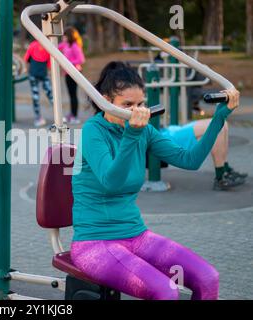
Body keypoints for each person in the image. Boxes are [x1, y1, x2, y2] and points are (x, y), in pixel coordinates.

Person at [71, 61, 240, 300]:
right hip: (95, 243)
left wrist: (219, 118)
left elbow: (189, 160)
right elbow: (111, 182)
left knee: (208, 278)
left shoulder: (144, 131)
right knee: (166, 291)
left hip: (136, 236)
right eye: (127, 105)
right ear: (105, 100)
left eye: (140, 104)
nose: (135, 111)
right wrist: (132, 134)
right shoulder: (94, 131)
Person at [161, 120, 247, 190]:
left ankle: (226, 170)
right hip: (167, 136)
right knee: (217, 127)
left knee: (223, 123)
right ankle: (220, 177)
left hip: (170, 130)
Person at [24, 39, 54, 127]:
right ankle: (57, 115)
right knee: (49, 94)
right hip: (42, 73)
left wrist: (27, 70)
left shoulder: (33, 45)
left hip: (34, 73)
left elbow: (26, 59)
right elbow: (49, 64)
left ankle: (38, 118)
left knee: (36, 95)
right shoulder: (47, 46)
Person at [59, 27, 85, 125]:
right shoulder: (65, 44)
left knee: (73, 95)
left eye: (64, 36)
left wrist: (67, 63)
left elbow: (81, 60)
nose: (63, 38)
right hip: (67, 73)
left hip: (75, 72)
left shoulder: (75, 46)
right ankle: (71, 114)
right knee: (70, 95)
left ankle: (75, 116)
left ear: (69, 36)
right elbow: (56, 47)